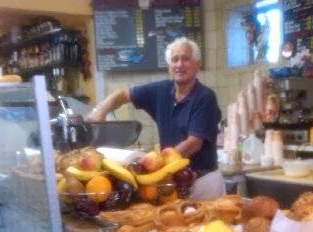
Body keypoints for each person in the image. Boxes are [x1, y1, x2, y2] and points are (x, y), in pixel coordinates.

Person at [87, 37, 225, 199]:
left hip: (202, 183)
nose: (179, 65)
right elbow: (123, 94)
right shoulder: (161, 90)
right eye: (175, 60)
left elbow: (193, 144)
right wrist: (101, 110)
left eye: (185, 59)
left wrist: (157, 165)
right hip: (173, 182)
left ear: (197, 65)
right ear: (169, 67)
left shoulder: (205, 97)